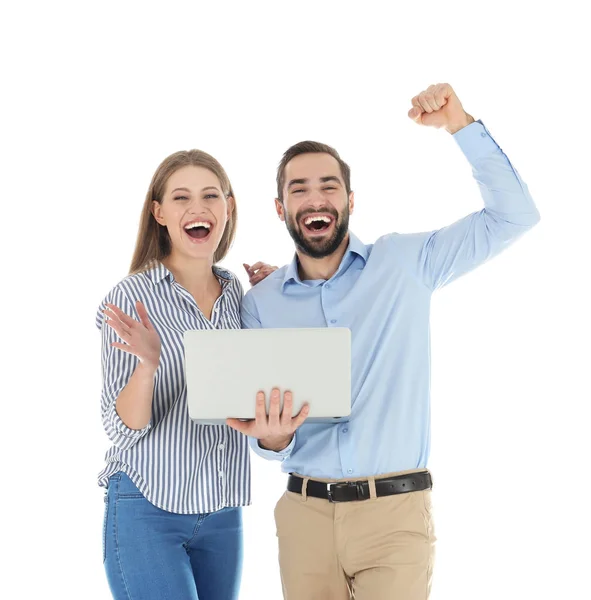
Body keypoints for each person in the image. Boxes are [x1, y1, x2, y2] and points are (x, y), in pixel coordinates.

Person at [227, 82, 541, 600]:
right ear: (280, 208)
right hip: (304, 515)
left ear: (349, 201)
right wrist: (272, 437)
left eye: (328, 186)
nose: (315, 198)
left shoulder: (405, 263)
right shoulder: (262, 304)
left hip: (395, 516)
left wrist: (460, 125)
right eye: (299, 189)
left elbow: (515, 216)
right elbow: (272, 436)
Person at [96, 149, 286, 600]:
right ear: (159, 213)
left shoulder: (239, 296)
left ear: (228, 207)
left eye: (209, 195)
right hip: (147, 507)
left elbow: (265, 388)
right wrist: (147, 366)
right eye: (181, 198)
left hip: (221, 513)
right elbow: (120, 429)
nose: (197, 208)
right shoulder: (130, 298)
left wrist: (281, 300)